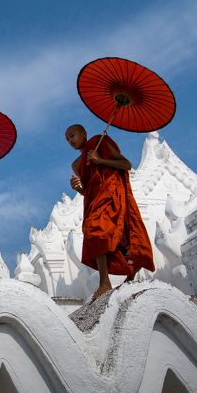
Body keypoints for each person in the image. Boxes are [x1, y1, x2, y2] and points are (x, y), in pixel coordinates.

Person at [65, 124, 154, 301]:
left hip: (113, 194)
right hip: (94, 201)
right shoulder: (76, 165)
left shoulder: (99, 142)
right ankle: (105, 282)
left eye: (72, 135)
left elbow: (126, 164)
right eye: (67, 139)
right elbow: (90, 188)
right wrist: (79, 190)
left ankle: (126, 279)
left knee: (129, 238)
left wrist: (100, 160)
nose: (70, 141)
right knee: (94, 233)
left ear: (84, 133)